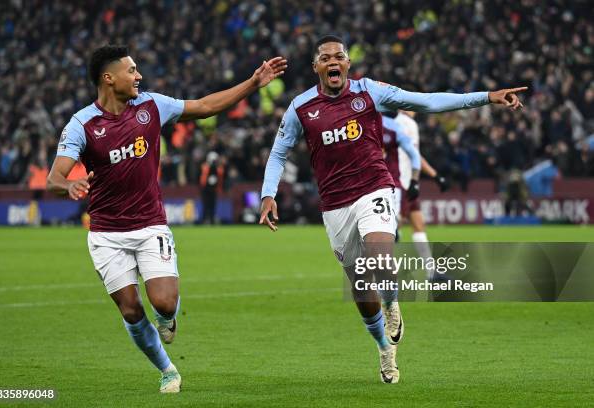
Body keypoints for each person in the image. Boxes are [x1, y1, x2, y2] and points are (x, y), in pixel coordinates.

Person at [259, 35, 525, 384]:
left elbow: (428, 102)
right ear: (316, 67)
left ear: (348, 64)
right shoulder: (300, 108)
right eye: (326, 58)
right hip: (335, 205)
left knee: (380, 258)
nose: (333, 61)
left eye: (339, 56)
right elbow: (279, 153)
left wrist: (487, 97)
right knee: (359, 288)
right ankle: (384, 347)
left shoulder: (371, 91)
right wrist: (268, 194)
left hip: (375, 188)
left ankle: (393, 303)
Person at [47, 45, 286, 393]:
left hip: (149, 225)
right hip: (106, 233)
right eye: (131, 71)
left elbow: (204, 107)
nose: (138, 76)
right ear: (108, 78)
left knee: (163, 302)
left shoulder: (151, 105)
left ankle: (168, 316)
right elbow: (54, 177)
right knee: (130, 310)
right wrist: (68, 185)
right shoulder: (82, 124)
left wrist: (251, 84)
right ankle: (167, 370)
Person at [394, 110, 449, 279]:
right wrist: (435, 175)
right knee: (391, 231)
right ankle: (374, 275)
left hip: (402, 182)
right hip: (402, 183)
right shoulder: (408, 123)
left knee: (418, 224)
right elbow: (414, 154)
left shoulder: (392, 122)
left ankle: (431, 272)